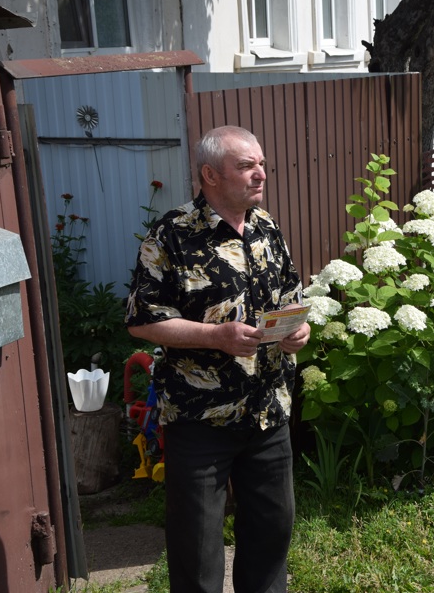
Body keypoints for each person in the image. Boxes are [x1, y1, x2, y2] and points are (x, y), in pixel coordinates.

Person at [126, 125, 310, 592]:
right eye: (246, 166)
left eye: (261, 164)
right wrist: (216, 336)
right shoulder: (171, 234)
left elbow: (289, 296)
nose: (260, 175)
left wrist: (297, 329)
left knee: (272, 533)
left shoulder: (266, 226)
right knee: (198, 546)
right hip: (198, 417)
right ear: (210, 174)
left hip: (267, 411)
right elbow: (143, 321)